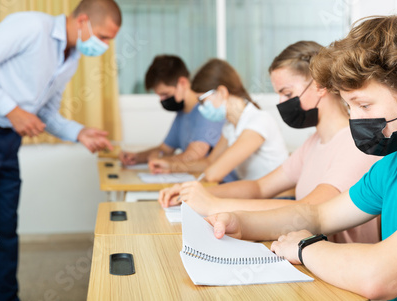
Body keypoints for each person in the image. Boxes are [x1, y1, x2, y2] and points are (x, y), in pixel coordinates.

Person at [206, 14, 397, 300]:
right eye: (351, 108)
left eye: (364, 105)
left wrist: (304, 247)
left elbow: (380, 276)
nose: (356, 120)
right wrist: (241, 222)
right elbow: (318, 215)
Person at [159, 42, 380, 244]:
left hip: (336, 276)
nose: (282, 103)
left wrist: (213, 205)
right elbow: (259, 187)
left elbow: (313, 210)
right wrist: (195, 194)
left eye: (287, 93)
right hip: (312, 261)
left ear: (320, 86)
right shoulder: (313, 143)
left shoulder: (356, 144)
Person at [0, 0, 121, 300]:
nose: (105, 46)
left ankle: (4, 297)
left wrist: (79, 132)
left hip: (6, 142)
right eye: (104, 37)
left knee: (1, 229)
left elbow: (45, 113)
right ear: (83, 21)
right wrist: (12, 110)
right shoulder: (32, 27)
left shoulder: (71, 58)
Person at [150, 58, 289, 183]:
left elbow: (214, 174)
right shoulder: (230, 126)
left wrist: (184, 188)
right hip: (258, 199)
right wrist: (170, 166)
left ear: (222, 92)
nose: (201, 107)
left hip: (278, 200)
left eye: (203, 101)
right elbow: (209, 162)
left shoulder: (258, 122)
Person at [119, 55, 226, 174]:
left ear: (182, 83)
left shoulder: (207, 111)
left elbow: (193, 156)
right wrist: (137, 157)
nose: (162, 100)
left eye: (165, 94)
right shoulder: (182, 113)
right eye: (159, 95)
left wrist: (161, 160)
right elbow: (165, 149)